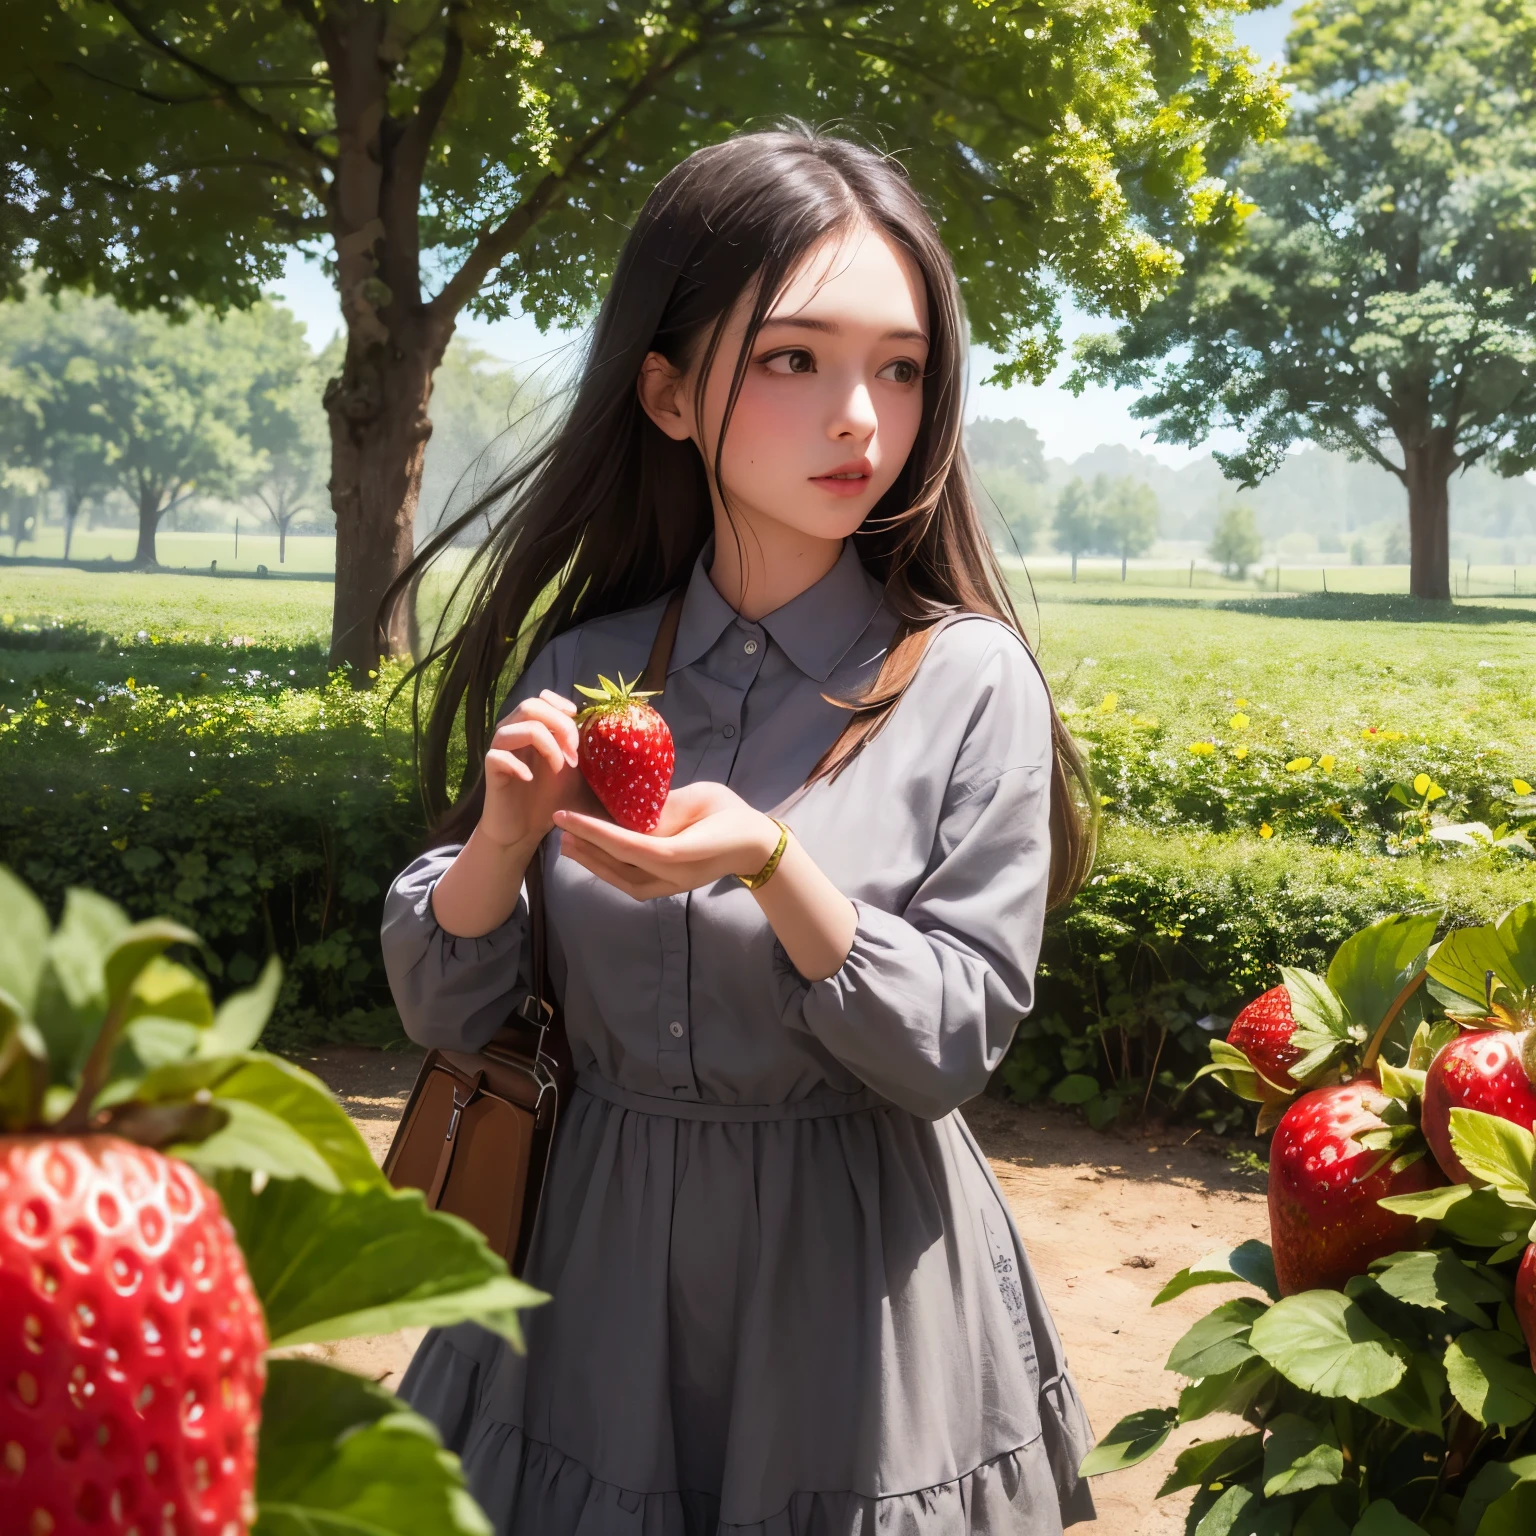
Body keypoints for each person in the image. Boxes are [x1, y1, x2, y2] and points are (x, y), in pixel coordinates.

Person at [381, 123, 1098, 1535]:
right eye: (794, 360)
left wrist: (777, 866)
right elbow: (446, 999)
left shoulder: (967, 682)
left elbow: (948, 1045)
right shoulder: (582, 668)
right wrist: (502, 845)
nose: (861, 419)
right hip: (584, 1290)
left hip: (856, 1297)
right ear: (666, 394)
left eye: (900, 368)